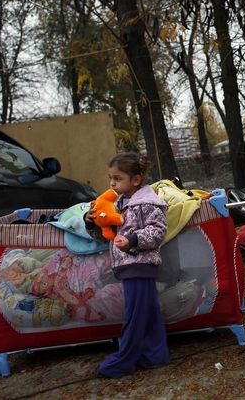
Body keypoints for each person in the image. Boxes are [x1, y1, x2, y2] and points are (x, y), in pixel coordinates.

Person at [85, 152, 169, 378]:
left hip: (139, 265)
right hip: (129, 266)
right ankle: (155, 356)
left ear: (136, 179)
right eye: (110, 178)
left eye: (118, 178)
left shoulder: (147, 203)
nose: (112, 183)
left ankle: (122, 361)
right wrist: (91, 222)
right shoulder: (119, 204)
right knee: (149, 313)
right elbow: (106, 236)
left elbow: (157, 231)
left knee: (135, 316)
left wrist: (132, 240)